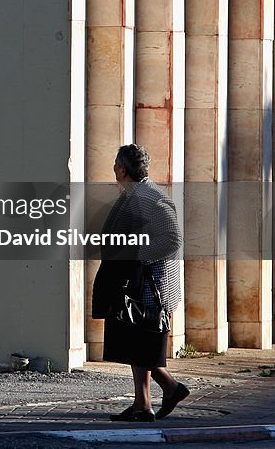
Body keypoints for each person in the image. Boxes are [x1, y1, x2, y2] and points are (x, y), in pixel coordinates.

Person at [91, 144, 188, 422]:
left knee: (142, 344)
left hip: (151, 286)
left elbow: (172, 240)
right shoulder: (133, 194)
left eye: (115, 165)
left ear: (122, 169)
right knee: (135, 343)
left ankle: (165, 391)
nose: (113, 170)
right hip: (135, 283)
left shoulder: (150, 197)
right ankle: (144, 404)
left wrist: (134, 255)